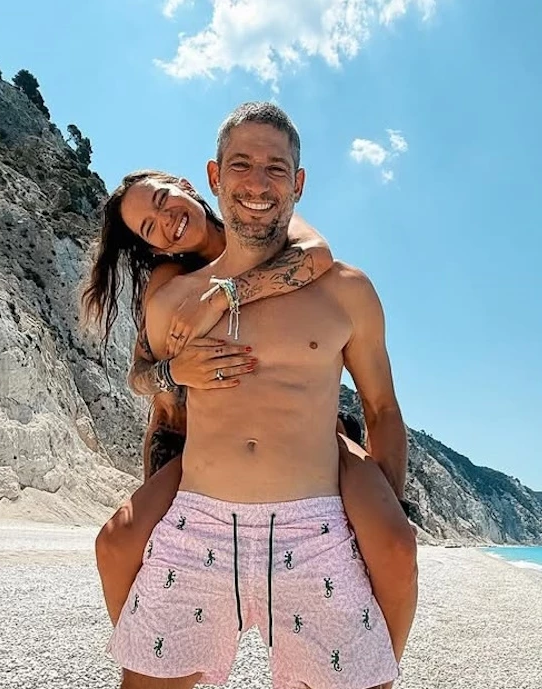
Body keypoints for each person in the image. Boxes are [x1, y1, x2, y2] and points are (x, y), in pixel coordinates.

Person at [97, 101, 410, 689]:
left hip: (317, 530)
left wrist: (381, 512)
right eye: (240, 165)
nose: (257, 184)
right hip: (199, 521)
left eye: (275, 168)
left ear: (298, 183)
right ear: (215, 176)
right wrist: (173, 372)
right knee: (118, 561)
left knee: (394, 559)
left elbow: (382, 408)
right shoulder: (172, 299)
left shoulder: (344, 289)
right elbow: (151, 391)